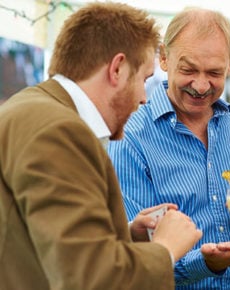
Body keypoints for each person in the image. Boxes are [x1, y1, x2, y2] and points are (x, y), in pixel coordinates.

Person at [0, 3, 203, 290]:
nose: (145, 97)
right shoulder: (60, 131)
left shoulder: (33, 107)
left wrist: (128, 235)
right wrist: (165, 249)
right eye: (144, 79)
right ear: (117, 68)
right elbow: (89, 279)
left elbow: (45, 242)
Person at [107, 6, 230, 289]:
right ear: (164, 58)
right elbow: (135, 258)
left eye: (214, 73)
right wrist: (207, 263)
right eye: (188, 70)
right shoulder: (131, 137)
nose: (201, 85)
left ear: (229, 66)